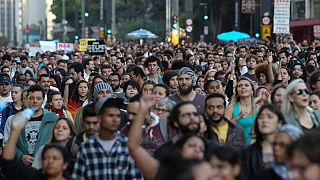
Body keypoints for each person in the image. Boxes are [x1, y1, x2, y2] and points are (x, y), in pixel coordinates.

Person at [127, 96, 208, 179]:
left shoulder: (211, 148)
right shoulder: (164, 152)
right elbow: (134, 147)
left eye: (195, 114)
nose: (192, 118)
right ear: (176, 122)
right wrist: (142, 111)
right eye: (186, 115)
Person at [72, 96, 143, 179]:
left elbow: (137, 177)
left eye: (118, 116)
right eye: (110, 115)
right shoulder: (86, 148)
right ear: (100, 118)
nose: (115, 119)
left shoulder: (128, 146)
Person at [3, 84, 59, 166]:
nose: (35, 101)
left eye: (39, 98)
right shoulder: (14, 120)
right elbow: (8, 144)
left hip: (46, 165)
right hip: (22, 167)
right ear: (26, 99)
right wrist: (21, 156)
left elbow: (58, 142)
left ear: (43, 100)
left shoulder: (53, 119)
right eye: (31, 98)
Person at [1, 120, 72, 180]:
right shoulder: (34, 176)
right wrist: (15, 131)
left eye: (55, 158)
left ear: (65, 164)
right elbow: (9, 166)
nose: (50, 161)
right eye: (45, 158)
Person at [241, 104, 285, 179]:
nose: (264, 120)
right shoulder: (247, 153)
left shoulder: (289, 150)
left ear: (279, 123)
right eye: (260, 117)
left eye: (269, 117)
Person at [226, 77, 257, 144]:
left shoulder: (259, 108)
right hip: (237, 148)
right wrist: (237, 118)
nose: (243, 87)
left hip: (255, 149)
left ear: (252, 90)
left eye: (246, 85)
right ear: (237, 92)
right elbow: (224, 129)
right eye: (240, 86)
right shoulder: (231, 108)